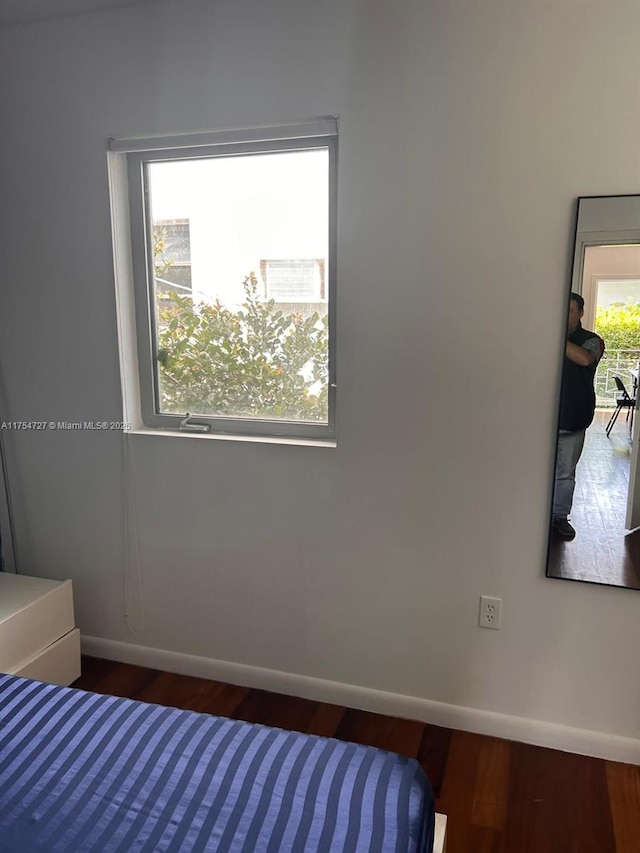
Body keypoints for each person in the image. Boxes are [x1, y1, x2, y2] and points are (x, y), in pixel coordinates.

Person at [552, 292, 604, 540]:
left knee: (564, 473)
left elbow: (584, 359)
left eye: (570, 310)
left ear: (581, 313)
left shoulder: (592, 341)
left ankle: (559, 518)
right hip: (538, 420)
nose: (565, 314)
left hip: (572, 419)